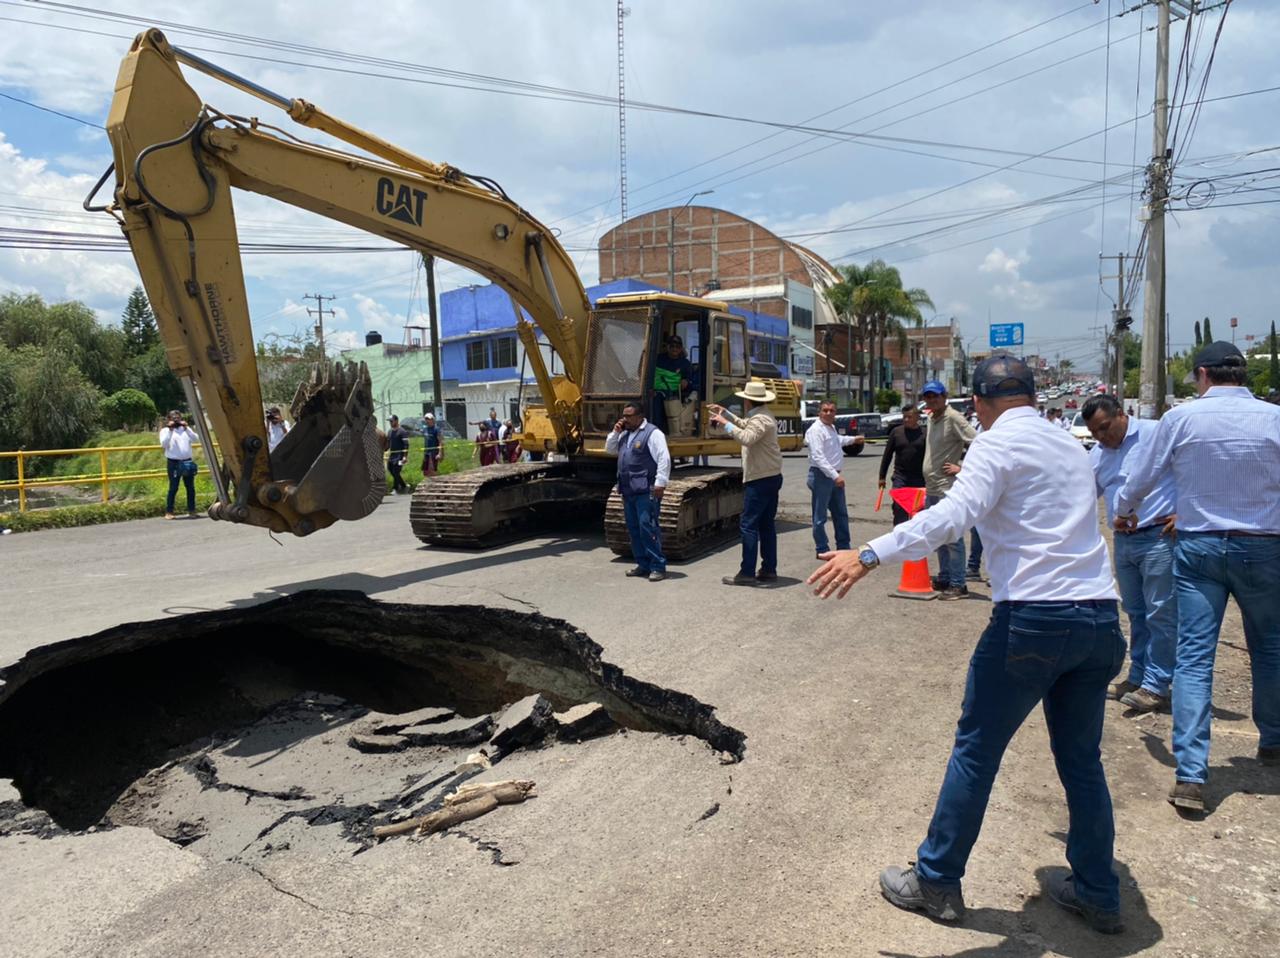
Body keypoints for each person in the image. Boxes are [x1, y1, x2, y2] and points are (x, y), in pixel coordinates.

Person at [808, 354, 1125, 935]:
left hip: (1033, 622)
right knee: (1083, 762)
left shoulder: (995, 446)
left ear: (978, 404)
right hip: (1100, 621)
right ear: (1031, 395)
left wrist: (871, 553)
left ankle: (936, 879)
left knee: (977, 749)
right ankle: (1101, 893)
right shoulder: (1070, 448)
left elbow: (953, 517)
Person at [1114, 341, 1280, 813]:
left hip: (1199, 546)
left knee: (1193, 658)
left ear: (1204, 374)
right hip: (1263, 545)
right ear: (1243, 375)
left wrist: (1125, 512)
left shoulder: (1182, 419)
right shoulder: (1274, 418)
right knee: (1268, 647)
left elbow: (1141, 476)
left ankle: (1190, 774)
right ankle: (1272, 740)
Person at [1084, 395, 1178, 715]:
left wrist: (1186, 513)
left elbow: (1194, 472)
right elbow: (1081, 495)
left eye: (1104, 428)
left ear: (1122, 415)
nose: (1101, 437)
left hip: (1159, 537)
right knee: (1136, 613)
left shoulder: (1156, 434)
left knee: (1161, 613)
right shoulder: (1097, 455)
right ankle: (1138, 677)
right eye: (1094, 432)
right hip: (1124, 541)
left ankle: (1158, 685)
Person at [708, 381, 783, 586]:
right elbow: (746, 424)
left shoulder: (760, 419)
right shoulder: (762, 416)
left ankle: (747, 572)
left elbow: (747, 437)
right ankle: (768, 569)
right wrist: (727, 415)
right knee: (766, 525)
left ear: (748, 400)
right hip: (770, 476)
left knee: (749, 525)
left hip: (760, 478)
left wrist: (725, 424)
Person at [921, 380, 976, 599]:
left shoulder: (953, 417)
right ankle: (945, 577)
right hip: (932, 487)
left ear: (944, 396)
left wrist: (962, 468)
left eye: (935, 396)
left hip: (947, 488)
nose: (932, 400)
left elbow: (979, 442)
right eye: (928, 396)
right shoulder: (932, 418)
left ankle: (958, 584)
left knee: (953, 537)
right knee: (938, 535)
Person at [605, 400, 670, 582]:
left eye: (629, 416)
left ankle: (657, 566)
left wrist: (660, 483)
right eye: (624, 415)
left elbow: (663, 458)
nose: (625, 419)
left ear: (640, 417)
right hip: (628, 490)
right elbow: (609, 449)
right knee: (634, 529)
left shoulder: (653, 433)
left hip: (645, 490)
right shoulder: (624, 434)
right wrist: (615, 432)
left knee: (647, 528)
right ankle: (642, 564)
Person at [805, 400, 860, 557]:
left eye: (832, 411)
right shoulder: (816, 430)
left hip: (833, 476)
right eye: (825, 410)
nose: (828, 413)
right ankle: (822, 549)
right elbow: (818, 457)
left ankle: (843, 546)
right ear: (819, 412)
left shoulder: (831, 428)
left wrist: (853, 439)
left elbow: (838, 441)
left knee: (840, 513)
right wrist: (835, 476)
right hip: (822, 476)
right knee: (820, 516)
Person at [878, 405, 925, 526]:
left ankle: (916, 540)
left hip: (920, 479)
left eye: (909, 417)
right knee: (899, 509)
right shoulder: (896, 432)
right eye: (904, 417)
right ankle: (899, 537)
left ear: (917, 417)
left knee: (918, 512)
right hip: (900, 477)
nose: (906, 420)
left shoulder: (925, 433)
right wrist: (882, 477)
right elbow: (887, 455)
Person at [160, 410, 200, 519]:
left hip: (187, 461)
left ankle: (192, 510)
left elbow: (196, 439)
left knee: (190, 487)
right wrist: (170, 430)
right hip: (174, 463)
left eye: (178, 418)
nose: (176, 420)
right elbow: (164, 444)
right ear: (169, 420)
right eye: (173, 418)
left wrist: (187, 428)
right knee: (173, 487)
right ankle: (169, 511)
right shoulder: (165, 431)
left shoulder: (185, 429)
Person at [654, 335, 697, 436]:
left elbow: (690, 381)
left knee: (674, 417)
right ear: (667, 347)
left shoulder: (685, 363)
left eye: (677, 347)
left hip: (674, 395)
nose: (674, 349)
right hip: (656, 394)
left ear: (681, 348)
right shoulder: (657, 359)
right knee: (656, 415)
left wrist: (685, 381)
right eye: (672, 346)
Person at [386, 414, 409, 493]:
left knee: (396, 471)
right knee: (390, 469)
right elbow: (388, 443)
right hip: (392, 455)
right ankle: (404, 486)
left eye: (391, 421)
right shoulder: (390, 431)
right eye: (389, 421)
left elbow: (406, 445)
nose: (390, 423)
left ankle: (396, 488)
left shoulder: (402, 431)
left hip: (400, 455)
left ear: (396, 421)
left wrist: (405, 457)